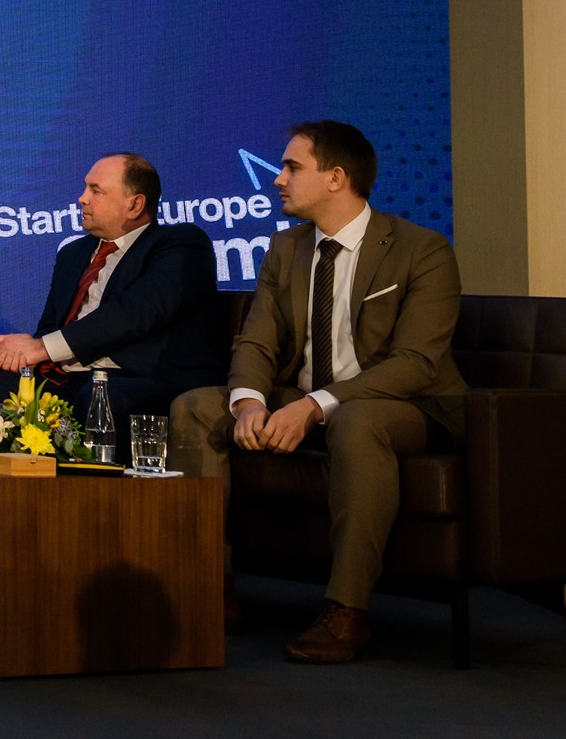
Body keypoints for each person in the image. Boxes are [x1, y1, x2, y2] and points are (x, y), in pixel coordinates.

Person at [171, 121, 467, 664]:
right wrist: (249, 401)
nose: (277, 179)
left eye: (292, 167)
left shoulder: (420, 249)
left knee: (356, 421)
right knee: (195, 407)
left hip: (404, 405)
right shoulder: (287, 247)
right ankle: (208, 589)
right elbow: (257, 339)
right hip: (304, 394)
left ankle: (346, 612)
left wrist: (316, 405)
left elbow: (416, 364)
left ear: (336, 177)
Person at [0, 153, 225, 441]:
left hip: (142, 380)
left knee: (100, 396)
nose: (82, 198)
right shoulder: (73, 254)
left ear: (134, 205)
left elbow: (133, 314)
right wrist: (21, 351)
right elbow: (51, 327)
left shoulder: (180, 244)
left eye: (95, 191)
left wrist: (40, 348)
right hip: (68, 379)